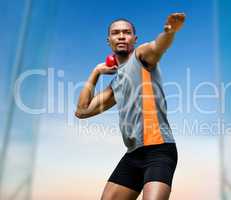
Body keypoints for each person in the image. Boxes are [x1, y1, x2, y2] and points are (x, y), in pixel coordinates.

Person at [75, 12, 185, 200]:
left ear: (134, 38)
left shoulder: (141, 56)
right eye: (116, 33)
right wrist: (96, 72)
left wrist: (169, 31)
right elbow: (82, 111)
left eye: (126, 32)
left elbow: (157, 46)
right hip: (133, 155)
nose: (121, 36)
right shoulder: (115, 85)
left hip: (159, 150)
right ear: (108, 40)